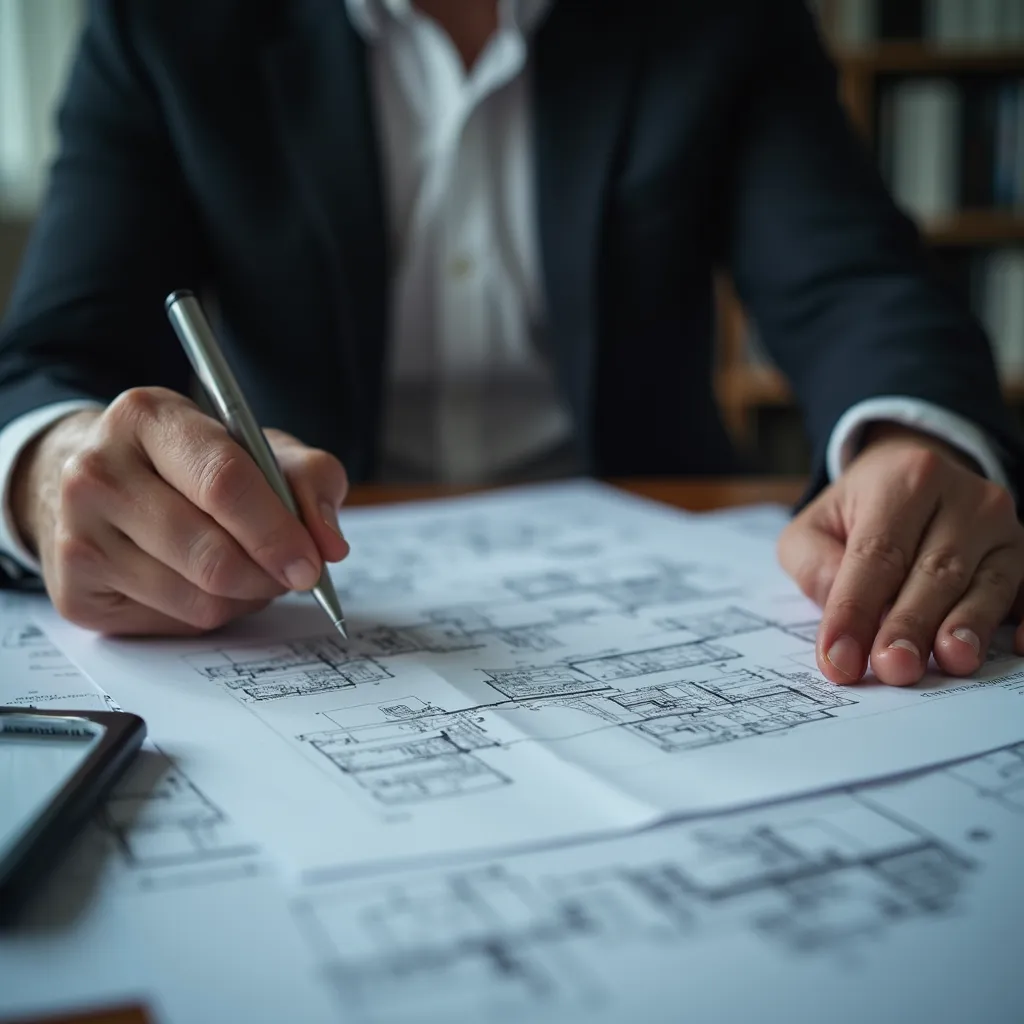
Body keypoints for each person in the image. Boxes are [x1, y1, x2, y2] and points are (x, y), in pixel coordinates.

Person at [1, 0, 1023, 690]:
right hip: (293, 570)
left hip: (655, 567)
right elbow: (48, 356)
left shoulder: (721, 14)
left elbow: (854, 281)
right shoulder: (161, 21)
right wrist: (48, 479)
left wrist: (902, 437)